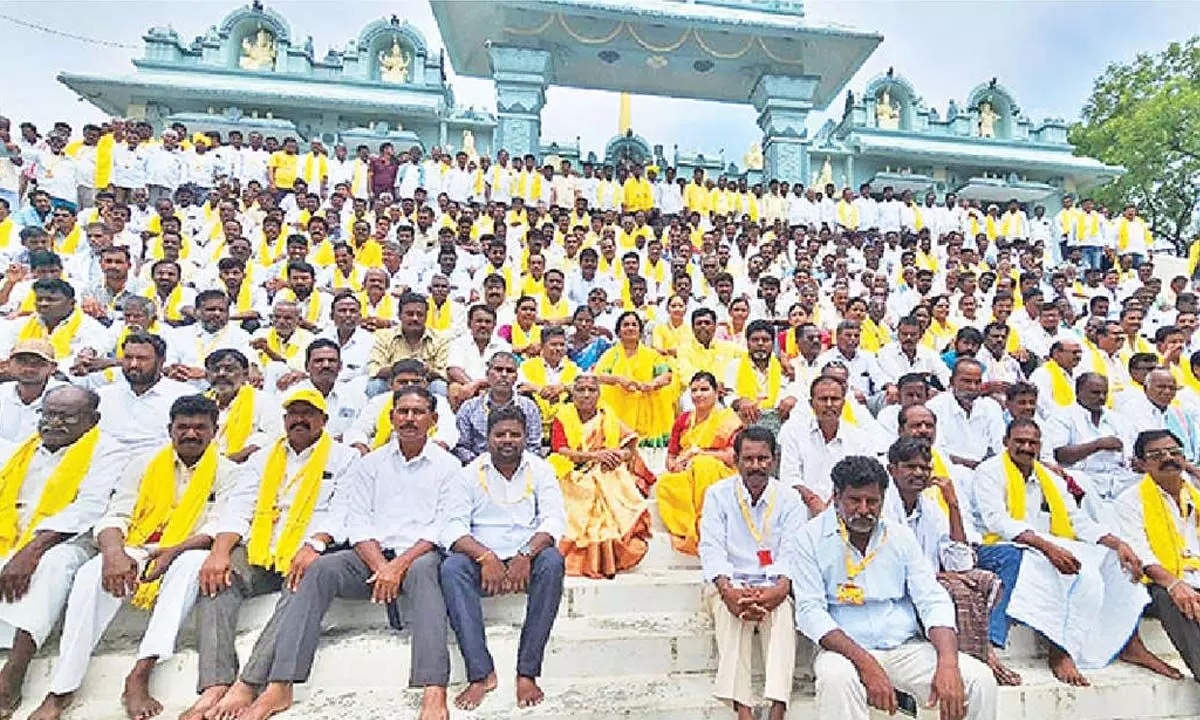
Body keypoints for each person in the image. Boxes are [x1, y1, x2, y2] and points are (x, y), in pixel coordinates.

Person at [24, 394, 240, 720]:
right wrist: (113, 555)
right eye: (183, 427)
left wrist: (173, 551)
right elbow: (116, 514)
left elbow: (219, 525)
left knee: (190, 567)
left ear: (215, 431)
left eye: (200, 427)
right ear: (170, 430)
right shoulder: (142, 465)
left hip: (188, 548)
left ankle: (141, 672)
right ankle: (61, 688)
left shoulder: (230, 472)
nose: (191, 434)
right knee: (90, 575)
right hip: (137, 544)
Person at [180, 387, 358, 720]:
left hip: (307, 549)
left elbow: (344, 512)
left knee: (303, 584)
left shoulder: (346, 459)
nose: (300, 420)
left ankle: (248, 683)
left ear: (324, 420)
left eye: (308, 413)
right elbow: (239, 507)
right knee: (217, 577)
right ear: (285, 419)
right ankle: (215, 684)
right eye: (294, 414)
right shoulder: (262, 458)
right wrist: (219, 551)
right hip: (261, 548)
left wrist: (316, 544)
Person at [789, 454, 999, 720]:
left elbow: (932, 599)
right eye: (854, 500)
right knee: (836, 680)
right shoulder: (809, 539)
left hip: (904, 647)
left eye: (872, 501)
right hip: (843, 650)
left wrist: (948, 662)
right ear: (837, 496)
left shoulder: (899, 536)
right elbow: (810, 612)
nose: (864, 510)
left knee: (979, 680)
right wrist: (867, 664)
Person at [972, 419, 1174, 685]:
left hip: (1045, 543)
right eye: (1020, 441)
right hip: (999, 545)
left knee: (1116, 563)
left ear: (1040, 445)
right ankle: (1060, 651)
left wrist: (1118, 544)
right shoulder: (989, 471)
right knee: (1074, 573)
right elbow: (997, 521)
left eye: (1032, 442)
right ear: (1005, 442)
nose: (1026, 447)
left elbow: (1076, 520)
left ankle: (1130, 644)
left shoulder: (1049, 477)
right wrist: (1048, 548)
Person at [0, 386, 126, 716]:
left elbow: (90, 507)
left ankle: (14, 670)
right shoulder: (23, 450)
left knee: (53, 564)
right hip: (12, 535)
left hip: (70, 539)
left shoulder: (108, 450)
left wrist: (33, 548)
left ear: (92, 420)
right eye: (48, 414)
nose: (53, 423)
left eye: (66, 417)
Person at [440, 405, 567, 711]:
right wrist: (486, 557)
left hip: (528, 555)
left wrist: (526, 554)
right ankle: (481, 674)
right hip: (482, 557)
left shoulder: (541, 470)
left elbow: (554, 520)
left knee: (552, 562)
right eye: (500, 434)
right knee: (452, 568)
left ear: (525, 437)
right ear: (488, 438)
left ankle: (527, 673)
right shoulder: (468, 475)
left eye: (514, 434)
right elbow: (452, 527)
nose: (507, 440)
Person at [699, 426, 804, 720]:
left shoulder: (789, 499)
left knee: (782, 613)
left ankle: (778, 706)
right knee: (730, 613)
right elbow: (711, 549)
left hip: (774, 583)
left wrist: (779, 589)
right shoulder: (718, 495)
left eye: (763, 458)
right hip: (729, 583)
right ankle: (743, 708)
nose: (756, 466)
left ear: (774, 460)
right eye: (748, 459)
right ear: (736, 461)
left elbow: (792, 551)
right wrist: (729, 590)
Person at [547, 375, 655, 578]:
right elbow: (560, 450)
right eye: (581, 390)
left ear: (599, 394)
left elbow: (629, 448)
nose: (586, 395)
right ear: (573, 394)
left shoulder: (608, 416)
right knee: (586, 488)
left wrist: (616, 455)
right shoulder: (564, 416)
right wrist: (594, 456)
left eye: (592, 390)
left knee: (612, 477)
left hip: (606, 470)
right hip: (574, 471)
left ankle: (613, 548)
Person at [1115, 429, 1200, 681]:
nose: (1168, 458)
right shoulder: (1129, 501)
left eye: (1174, 452)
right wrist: (1174, 584)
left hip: (1194, 578)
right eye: (1157, 455)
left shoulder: (1195, 496)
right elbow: (1140, 553)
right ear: (1141, 464)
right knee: (1173, 599)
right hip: (1155, 585)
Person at [657, 372, 743, 555]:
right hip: (686, 472)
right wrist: (674, 465)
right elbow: (671, 456)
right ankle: (689, 532)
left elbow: (733, 457)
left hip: (720, 472)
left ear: (717, 392)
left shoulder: (728, 420)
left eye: (704, 389)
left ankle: (707, 527)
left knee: (703, 465)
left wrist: (698, 454)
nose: (698, 395)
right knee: (666, 482)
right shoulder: (683, 419)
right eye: (694, 390)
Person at [778, 375, 882, 518]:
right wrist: (812, 500)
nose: (829, 404)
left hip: (846, 514)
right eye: (823, 399)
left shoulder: (860, 438)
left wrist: (834, 504)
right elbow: (789, 478)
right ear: (811, 404)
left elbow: (865, 478)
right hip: (801, 514)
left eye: (834, 399)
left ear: (843, 403)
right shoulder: (793, 434)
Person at [95, 332, 193, 455]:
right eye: (128, 357)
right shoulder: (103, 396)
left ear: (161, 361)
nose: (133, 364)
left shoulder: (184, 396)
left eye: (142, 358)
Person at [594, 311, 676, 447]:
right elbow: (599, 376)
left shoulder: (651, 354)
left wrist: (652, 384)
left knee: (664, 391)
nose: (630, 328)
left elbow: (666, 375)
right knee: (605, 389)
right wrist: (619, 379)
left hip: (645, 398)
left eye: (634, 325)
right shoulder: (611, 354)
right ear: (619, 332)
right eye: (626, 325)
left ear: (640, 330)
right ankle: (616, 433)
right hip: (620, 400)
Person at [344, 359, 458, 454]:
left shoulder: (439, 402)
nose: (409, 386)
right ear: (391, 384)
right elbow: (358, 429)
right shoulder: (379, 402)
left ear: (425, 384)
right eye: (403, 382)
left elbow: (448, 431)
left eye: (416, 382)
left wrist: (436, 448)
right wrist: (361, 446)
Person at [452, 352, 542, 463]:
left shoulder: (529, 408)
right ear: (487, 374)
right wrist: (483, 465)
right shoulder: (469, 408)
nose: (504, 375)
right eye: (498, 370)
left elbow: (534, 447)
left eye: (509, 371)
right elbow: (461, 447)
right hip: (478, 468)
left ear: (516, 377)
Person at [0, 339, 63, 444]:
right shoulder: (2, 392)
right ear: (8, 364)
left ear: (53, 368)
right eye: (21, 361)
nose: (28, 369)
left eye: (38, 363)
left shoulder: (66, 397)